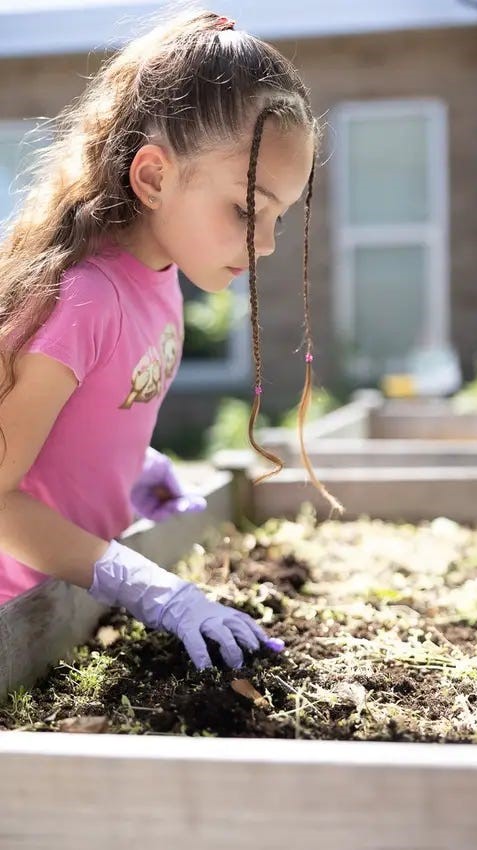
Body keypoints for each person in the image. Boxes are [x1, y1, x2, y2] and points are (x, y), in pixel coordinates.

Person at [0, 8, 344, 671]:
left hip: (67, 619)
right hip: (14, 632)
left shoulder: (159, 279)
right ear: (154, 177)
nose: (265, 244)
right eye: (246, 210)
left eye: (277, 216)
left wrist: (134, 467)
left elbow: (84, 416)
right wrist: (146, 586)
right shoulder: (82, 299)